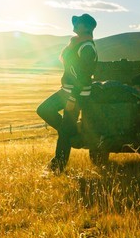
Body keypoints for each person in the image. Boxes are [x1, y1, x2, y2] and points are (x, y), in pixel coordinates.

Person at [37, 13, 98, 173]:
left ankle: (58, 166)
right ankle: (71, 132)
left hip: (77, 95)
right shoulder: (77, 43)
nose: (75, 24)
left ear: (87, 27)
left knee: (64, 131)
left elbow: (85, 76)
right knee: (44, 110)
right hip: (67, 91)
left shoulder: (87, 47)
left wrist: (73, 97)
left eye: (79, 22)